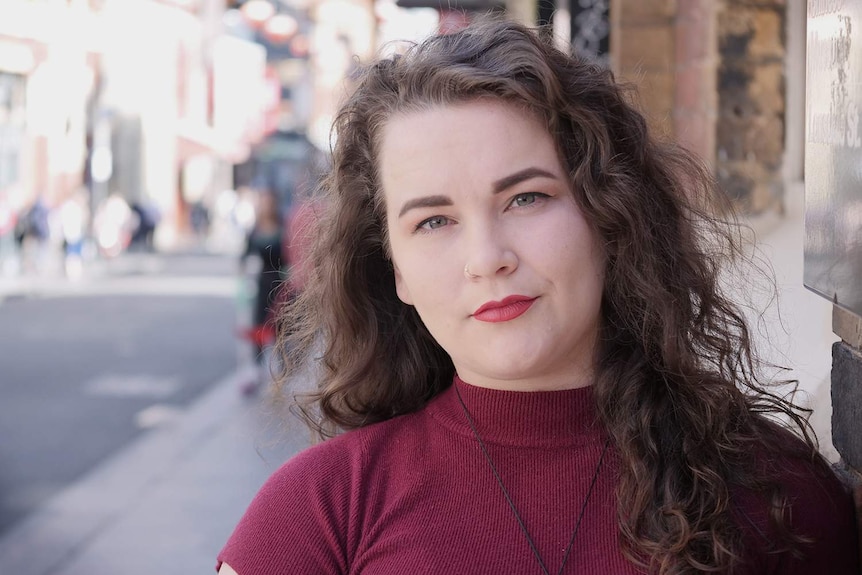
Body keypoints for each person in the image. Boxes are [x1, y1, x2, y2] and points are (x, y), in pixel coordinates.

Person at [218, 17, 859, 574]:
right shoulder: (319, 515)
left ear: (609, 216)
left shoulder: (774, 496)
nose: (487, 258)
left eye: (526, 198)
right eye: (433, 221)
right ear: (396, 273)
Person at [238, 189, 285, 393]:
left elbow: (291, 255)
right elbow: (244, 255)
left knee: (280, 328)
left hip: (281, 283)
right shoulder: (255, 229)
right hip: (261, 282)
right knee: (258, 327)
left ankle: (282, 372)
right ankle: (256, 370)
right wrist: (242, 279)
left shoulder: (283, 227)